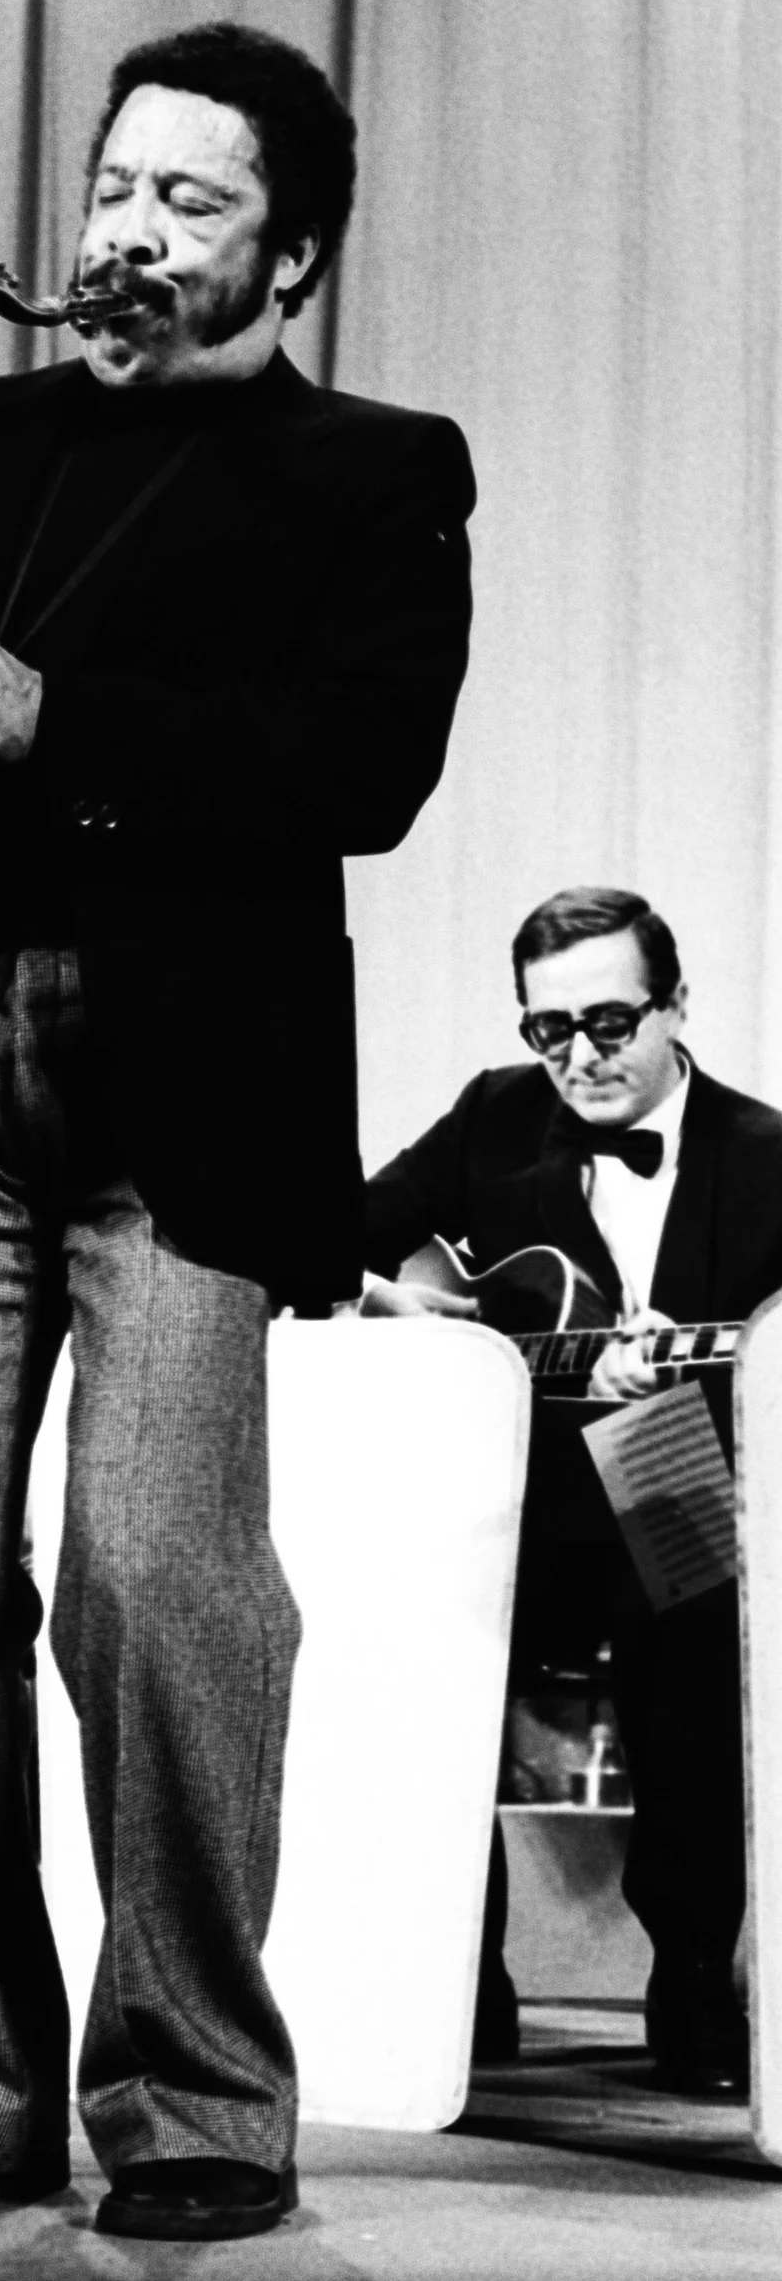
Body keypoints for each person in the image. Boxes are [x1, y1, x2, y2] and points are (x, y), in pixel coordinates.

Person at [0, 21, 476, 2240]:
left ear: (293, 253)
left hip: (188, 1097)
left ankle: (194, 2099)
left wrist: (53, 717)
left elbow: (359, 771)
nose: (127, 235)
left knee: (159, 1587)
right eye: (113, 187)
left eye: (190, 203)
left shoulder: (374, 469)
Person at [365, 885, 782, 2096]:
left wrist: (703, 1374)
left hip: (668, 1457)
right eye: (548, 1029)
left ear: (675, 1005)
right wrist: (396, 1302)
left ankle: (692, 1981)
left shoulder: (765, 1158)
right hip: (514, 1473)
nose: (580, 1056)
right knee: (418, 1639)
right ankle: (459, 1983)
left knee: (696, 1648)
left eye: (608, 1022)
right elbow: (339, 1227)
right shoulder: (493, 1116)